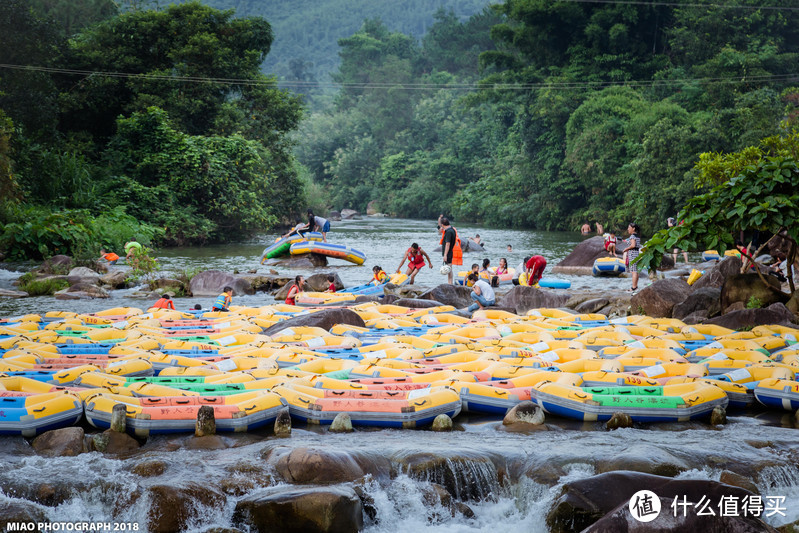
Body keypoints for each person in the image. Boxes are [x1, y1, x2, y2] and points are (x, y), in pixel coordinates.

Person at [439, 217, 462, 284]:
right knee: (449, 269)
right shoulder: (452, 229)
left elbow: (447, 244)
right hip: (450, 252)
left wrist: (445, 255)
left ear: (443, 224)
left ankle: (450, 283)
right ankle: (450, 283)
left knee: (449, 269)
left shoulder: (449, 232)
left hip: (448, 253)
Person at [622, 223, 641, 292]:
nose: (628, 229)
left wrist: (626, 249)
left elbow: (633, 245)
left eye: (629, 228)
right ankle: (635, 286)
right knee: (636, 271)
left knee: (634, 271)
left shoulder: (632, 236)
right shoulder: (637, 236)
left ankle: (633, 287)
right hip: (636, 253)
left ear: (633, 229)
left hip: (633, 254)